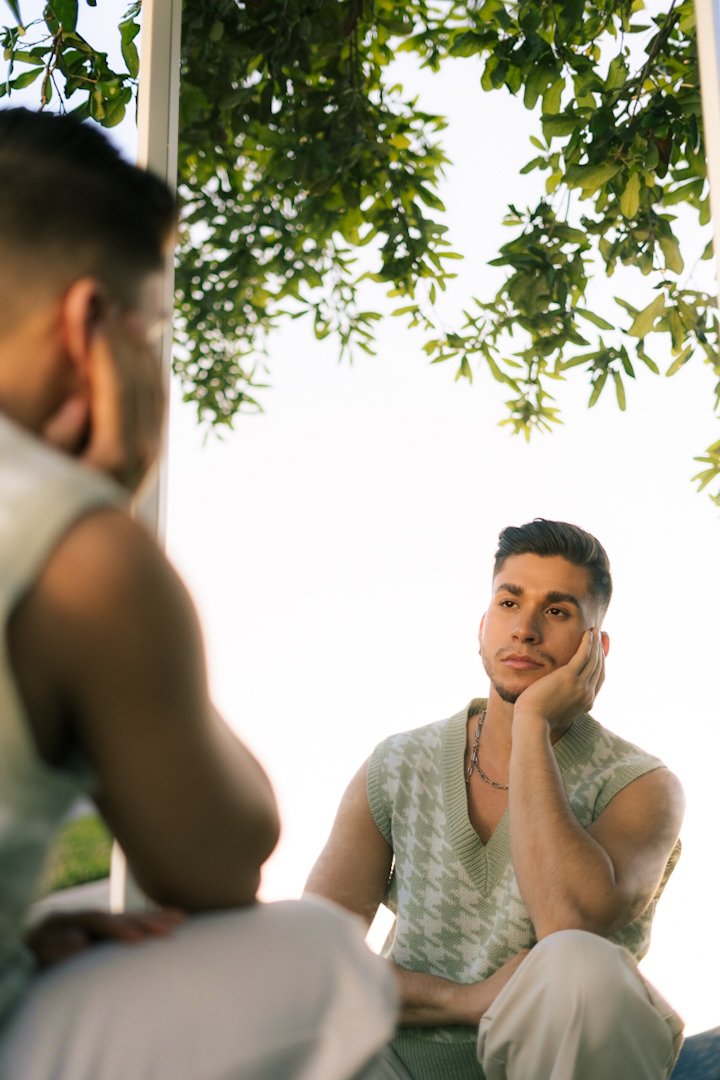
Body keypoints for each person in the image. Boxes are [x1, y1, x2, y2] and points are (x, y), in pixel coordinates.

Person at [0, 106, 396, 1079]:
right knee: (322, 955)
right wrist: (108, 507)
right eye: (156, 334)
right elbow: (221, 857)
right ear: (94, 326)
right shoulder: (80, 554)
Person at [306, 518, 685, 1080]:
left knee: (581, 966)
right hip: (389, 1065)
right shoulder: (398, 764)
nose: (525, 629)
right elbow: (313, 959)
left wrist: (531, 723)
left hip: (547, 1066)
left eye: (557, 611)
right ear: (483, 625)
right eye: (510, 603)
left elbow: (568, 925)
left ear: (596, 648)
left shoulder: (639, 785)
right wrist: (466, 999)